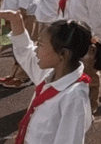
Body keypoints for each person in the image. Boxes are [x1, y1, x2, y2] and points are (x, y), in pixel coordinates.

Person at [0, 10, 93, 144]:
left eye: (41, 45)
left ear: (63, 54)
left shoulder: (74, 97)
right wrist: (16, 21)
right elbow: (26, 53)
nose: (36, 50)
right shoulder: (51, 74)